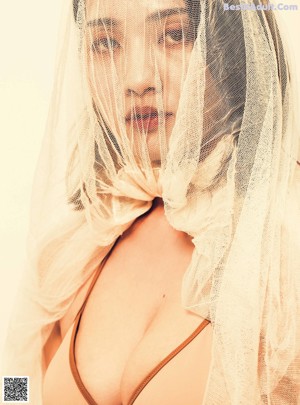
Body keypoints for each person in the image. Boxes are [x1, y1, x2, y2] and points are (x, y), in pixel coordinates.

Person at [2, 0, 300, 404]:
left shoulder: (285, 250)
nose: (137, 77)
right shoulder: (71, 252)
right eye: (106, 42)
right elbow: (15, 386)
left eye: (175, 35)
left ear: (232, 48)